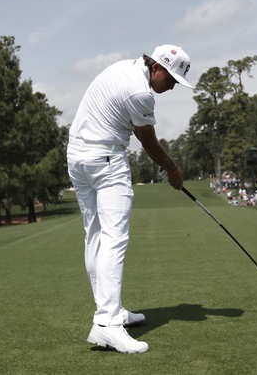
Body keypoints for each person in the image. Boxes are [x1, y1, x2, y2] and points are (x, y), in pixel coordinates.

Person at [66, 44, 193, 354]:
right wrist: (173, 170)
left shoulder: (123, 67)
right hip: (106, 162)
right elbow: (147, 141)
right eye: (172, 80)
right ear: (157, 68)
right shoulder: (142, 92)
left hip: (77, 159)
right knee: (113, 239)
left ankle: (109, 310)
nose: (172, 86)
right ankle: (108, 323)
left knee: (95, 236)